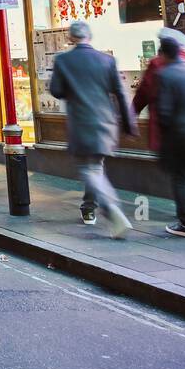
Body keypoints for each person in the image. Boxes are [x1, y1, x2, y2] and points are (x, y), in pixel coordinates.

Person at [48, 21, 136, 237]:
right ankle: (90, 207)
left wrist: (73, 89)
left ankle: (111, 208)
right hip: (106, 122)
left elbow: (56, 90)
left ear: (71, 37)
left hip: (81, 121)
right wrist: (128, 123)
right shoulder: (107, 60)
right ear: (89, 36)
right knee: (96, 167)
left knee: (89, 169)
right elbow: (120, 93)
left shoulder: (63, 60)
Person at [153, 34, 185, 237]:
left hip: (180, 135)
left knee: (180, 178)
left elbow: (165, 112)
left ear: (164, 54)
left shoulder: (165, 74)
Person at [132, 28, 185, 154]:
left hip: (168, 134)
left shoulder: (157, 65)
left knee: (177, 169)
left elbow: (143, 94)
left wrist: (130, 116)